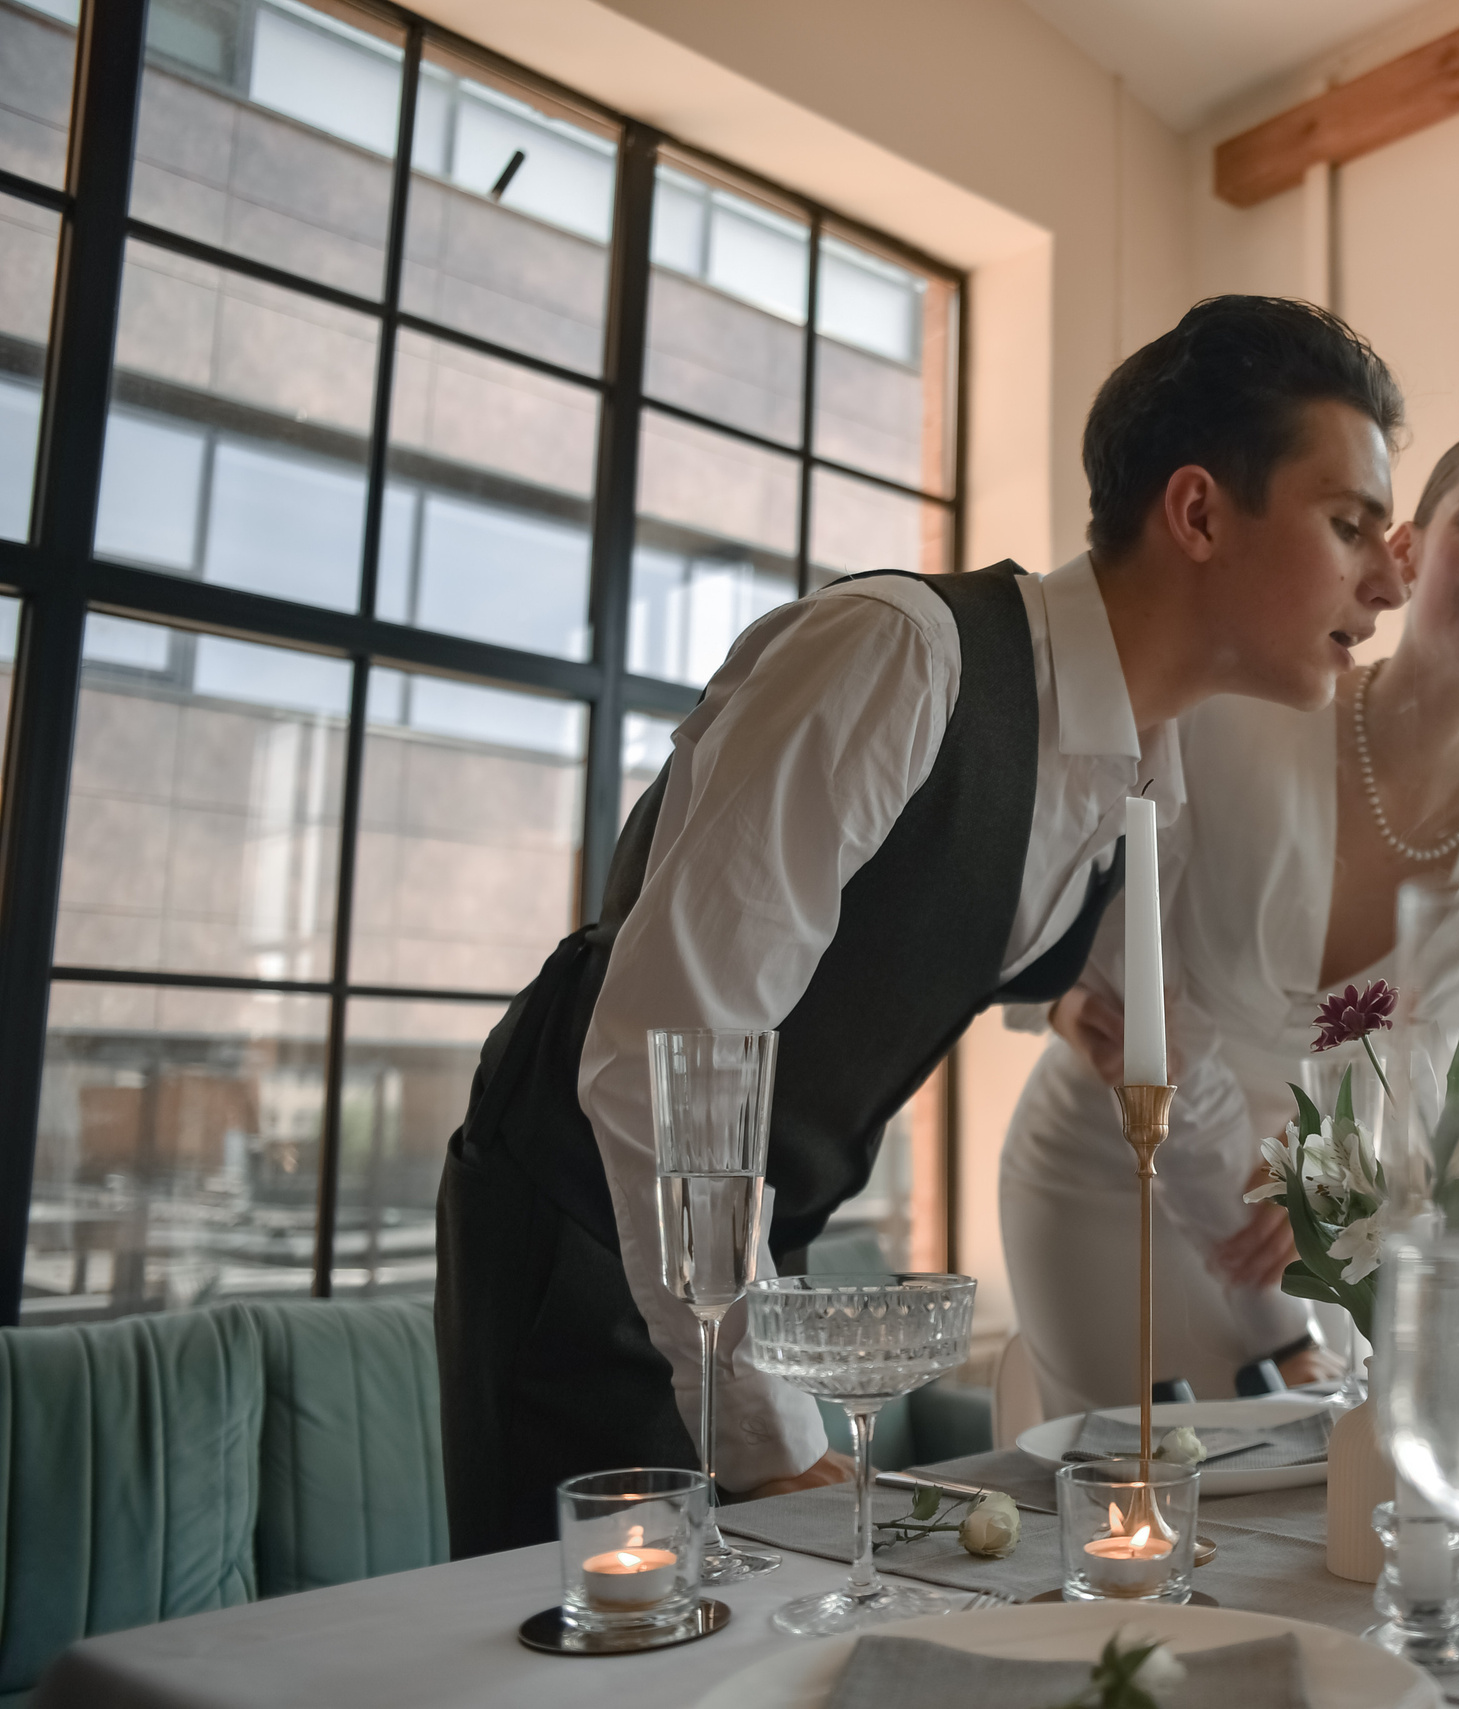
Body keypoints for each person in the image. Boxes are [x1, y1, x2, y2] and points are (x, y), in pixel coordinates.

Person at [434, 296, 1409, 1556]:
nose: (1390, 578)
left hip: (747, 1261)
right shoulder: (897, 657)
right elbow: (663, 1052)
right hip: (587, 1237)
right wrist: (768, 1436)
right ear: (1200, 513)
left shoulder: (1135, 782)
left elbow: (1165, 1066)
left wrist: (1321, 1323)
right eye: (1350, 526)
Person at [999, 422, 1459, 1416]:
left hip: (1300, 1219)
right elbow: (1079, 898)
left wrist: (1341, 1191)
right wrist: (1072, 992)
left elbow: (1434, 1062)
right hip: (1114, 1165)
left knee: (1306, 1523)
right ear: (1406, 551)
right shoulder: (1248, 699)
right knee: (1117, 1509)